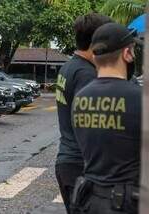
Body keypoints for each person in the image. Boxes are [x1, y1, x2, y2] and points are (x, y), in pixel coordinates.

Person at [71, 23, 141, 214]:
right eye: (133, 51)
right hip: (127, 202)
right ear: (127, 54)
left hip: (89, 200)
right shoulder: (139, 98)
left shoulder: (80, 99)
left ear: (94, 56)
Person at [55, 13, 113, 214]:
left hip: (69, 162)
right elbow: (92, 126)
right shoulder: (86, 75)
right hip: (82, 166)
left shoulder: (68, 67)